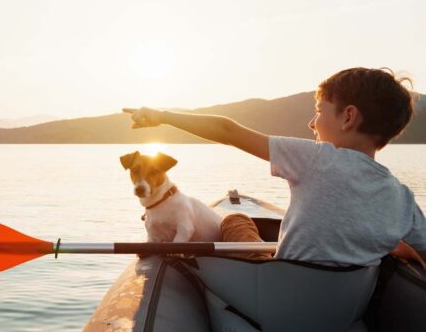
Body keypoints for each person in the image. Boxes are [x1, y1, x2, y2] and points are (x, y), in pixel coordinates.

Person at [123, 67, 426, 267]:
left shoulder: (313, 158)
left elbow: (227, 131)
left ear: (348, 117)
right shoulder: (403, 201)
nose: (312, 123)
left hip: (273, 300)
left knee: (236, 219)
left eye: (319, 111)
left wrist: (162, 116)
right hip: (342, 314)